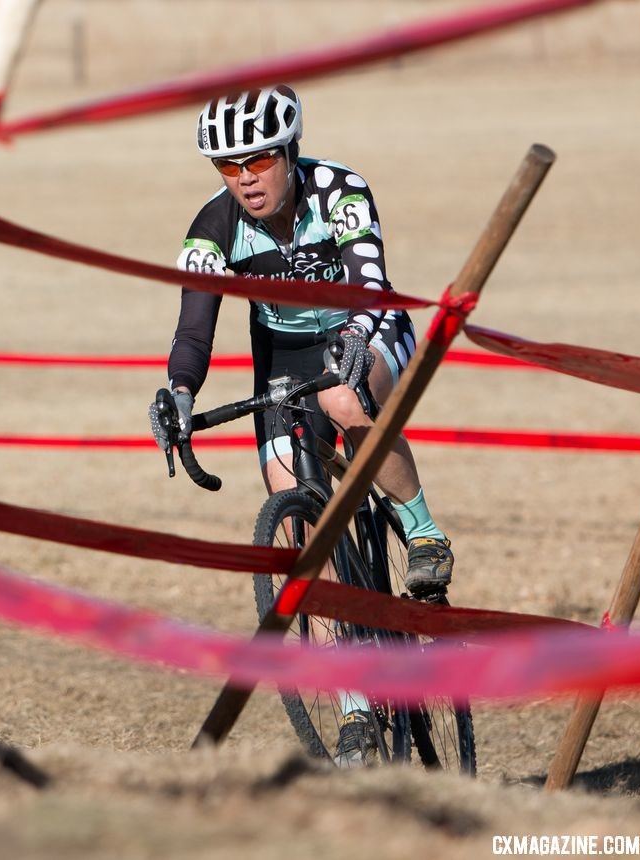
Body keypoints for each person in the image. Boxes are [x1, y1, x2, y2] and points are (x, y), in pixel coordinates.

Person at [149, 85, 454, 766]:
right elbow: (194, 330)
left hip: (368, 326)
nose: (245, 180)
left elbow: (371, 284)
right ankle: (351, 708)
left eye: (257, 161)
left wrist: (353, 331)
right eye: (229, 168)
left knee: (346, 403)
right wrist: (177, 391)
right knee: (293, 524)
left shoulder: (338, 189)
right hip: (284, 357)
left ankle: (423, 530)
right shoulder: (211, 230)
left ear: (288, 152)